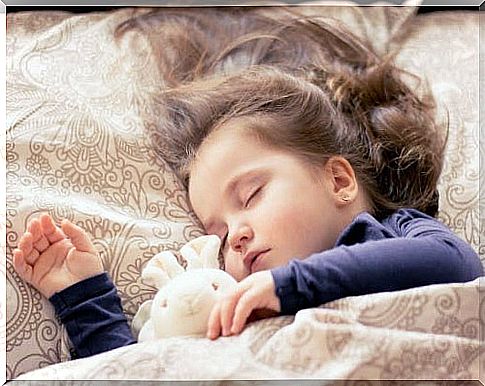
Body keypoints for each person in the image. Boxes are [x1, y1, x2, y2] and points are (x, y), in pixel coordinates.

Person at [12, 8, 484, 359]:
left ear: (338, 179)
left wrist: (286, 286)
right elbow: (146, 369)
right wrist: (85, 298)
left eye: (252, 195)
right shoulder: (229, 303)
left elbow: (455, 262)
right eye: (216, 234)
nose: (233, 236)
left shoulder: (396, 234)